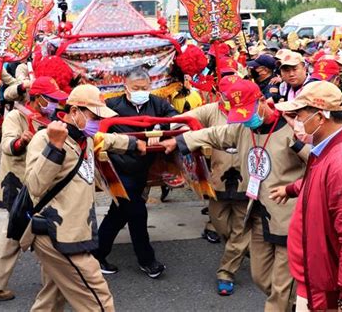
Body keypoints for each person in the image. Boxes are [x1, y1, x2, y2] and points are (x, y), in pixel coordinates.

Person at [160, 78, 309, 311]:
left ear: (262, 101)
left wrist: (300, 144)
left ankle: (284, 304)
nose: (247, 119)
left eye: (248, 112)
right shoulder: (243, 128)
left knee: (279, 291)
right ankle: (292, 304)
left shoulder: (293, 127)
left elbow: (321, 163)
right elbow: (214, 134)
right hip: (258, 214)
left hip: (288, 217)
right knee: (261, 278)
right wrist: (180, 141)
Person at [22, 84, 146, 312]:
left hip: (76, 230)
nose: (98, 121)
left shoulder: (85, 138)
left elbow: (105, 140)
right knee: (98, 299)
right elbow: (35, 186)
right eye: (94, 116)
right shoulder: (44, 138)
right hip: (59, 234)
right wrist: (54, 147)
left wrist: (133, 143)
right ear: (74, 111)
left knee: (51, 299)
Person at [271, 81, 342, 311]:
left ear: (320, 118)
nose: (296, 122)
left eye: (299, 115)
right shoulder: (327, 151)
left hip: (329, 291)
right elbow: (320, 185)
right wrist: (290, 189)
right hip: (317, 279)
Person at [0, 76, 69, 301]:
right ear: (37, 99)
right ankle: (55, 288)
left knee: (16, 233)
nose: (55, 104)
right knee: (42, 233)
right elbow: (7, 146)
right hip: (19, 185)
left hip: (41, 185)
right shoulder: (16, 116)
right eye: (51, 100)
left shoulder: (51, 119)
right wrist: (22, 141)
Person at [93, 69, 178, 278]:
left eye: (145, 88)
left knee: (119, 213)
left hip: (143, 168)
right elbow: (97, 131)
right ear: (126, 87)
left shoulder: (157, 103)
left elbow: (175, 118)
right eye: (136, 88)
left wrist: (160, 129)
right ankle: (147, 260)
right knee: (138, 213)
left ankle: (96, 255)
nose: (141, 92)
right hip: (119, 168)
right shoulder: (113, 106)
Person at [180, 75, 250, 296]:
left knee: (241, 228)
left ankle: (226, 272)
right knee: (220, 224)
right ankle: (238, 248)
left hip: (246, 181)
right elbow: (179, 120)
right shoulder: (210, 110)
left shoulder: (251, 113)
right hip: (217, 179)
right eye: (226, 95)